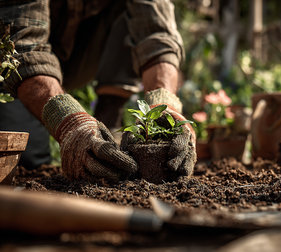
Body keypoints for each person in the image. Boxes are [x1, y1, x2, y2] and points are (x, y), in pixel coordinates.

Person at [0, 0, 196, 181]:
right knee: (25, 160)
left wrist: (165, 104)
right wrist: (70, 123)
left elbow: (157, 33)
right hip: (12, 68)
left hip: (79, 55)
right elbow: (20, 49)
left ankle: (110, 115)